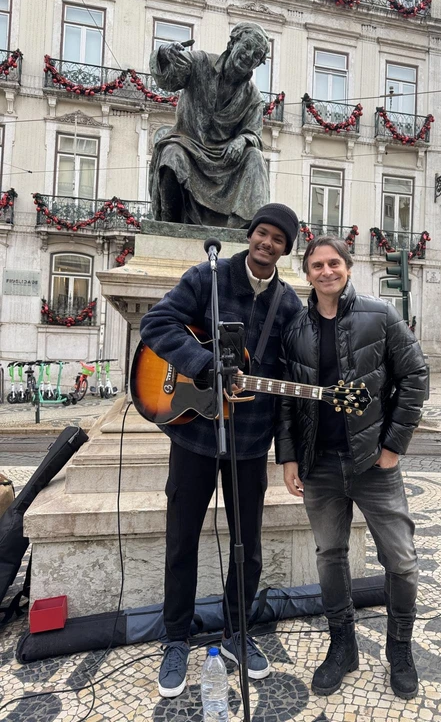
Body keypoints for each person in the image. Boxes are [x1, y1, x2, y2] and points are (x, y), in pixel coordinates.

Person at [139, 203, 303, 698]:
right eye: (261, 233)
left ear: (285, 250)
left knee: (247, 546)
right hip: (193, 435)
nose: (266, 243)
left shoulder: (289, 304)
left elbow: (292, 377)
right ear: (249, 236)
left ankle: (237, 631)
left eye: (277, 239)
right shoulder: (208, 276)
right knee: (181, 540)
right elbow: (156, 324)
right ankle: (175, 638)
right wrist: (205, 365)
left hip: (250, 444)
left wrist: (287, 449)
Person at [275, 235, 427, 699]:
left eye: (333, 263)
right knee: (329, 555)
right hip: (319, 464)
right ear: (306, 272)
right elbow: (285, 398)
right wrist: (288, 456)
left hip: (373, 464)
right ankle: (343, 646)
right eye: (317, 265)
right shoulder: (294, 328)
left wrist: (394, 445)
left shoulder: (379, 316)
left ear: (348, 266)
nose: (326, 271)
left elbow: (415, 375)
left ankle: (399, 649)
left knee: (400, 559)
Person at [148, 22, 270, 227]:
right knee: (171, 153)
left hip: (224, 160)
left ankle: (249, 230)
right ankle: (168, 228)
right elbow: (167, 81)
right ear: (233, 43)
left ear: (258, 63)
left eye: (256, 54)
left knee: (254, 157)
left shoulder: (253, 97)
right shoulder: (201, 62)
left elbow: (254, 134)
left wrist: (242, 140)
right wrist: (165, 53)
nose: (249, 55)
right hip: (188, 145)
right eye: (247, 46)